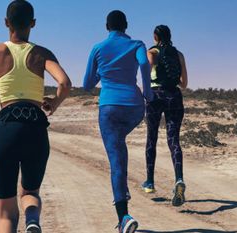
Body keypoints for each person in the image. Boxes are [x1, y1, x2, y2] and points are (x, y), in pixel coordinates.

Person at [0, 1, 71, 232]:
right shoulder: (42, 53)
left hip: (6, 128)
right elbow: (64, 83)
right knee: (30, 193)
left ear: (6, 22)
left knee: (6, 214)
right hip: (35, 129)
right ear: (33, 24)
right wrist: (54, 102)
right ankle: (32, 219)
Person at [82, 10, 153, 233]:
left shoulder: (98, 48)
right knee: (120, 146)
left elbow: (86, 85)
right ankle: (122, 189)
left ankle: (123, 217)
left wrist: (102, 74)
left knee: (116, 160)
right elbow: (144, 64)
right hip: (134, 108)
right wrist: (147, 92)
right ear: (126, 26)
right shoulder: (137, 44)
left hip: (110, 108)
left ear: (107, 26)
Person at [141, 25, 188, 207]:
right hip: (174, 96)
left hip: (155, 96)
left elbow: (146, 77)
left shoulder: (151, 52)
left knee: (151, 137)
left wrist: (144, 92)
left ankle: (150, 182)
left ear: (155, 36)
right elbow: (184, 83)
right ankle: (179, 179)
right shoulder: (179, 55)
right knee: (174, 140)